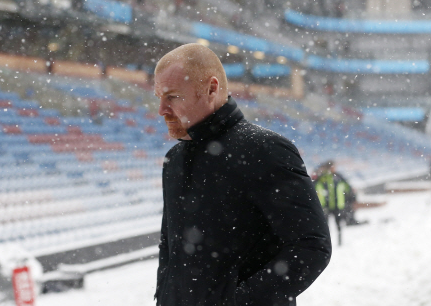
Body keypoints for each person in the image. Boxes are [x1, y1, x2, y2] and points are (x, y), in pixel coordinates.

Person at [153, 44, 332, 306]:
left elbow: (311, 246)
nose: (161, 109)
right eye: (159, 96)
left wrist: (239, 301)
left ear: (211, 89)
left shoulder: (265, 150)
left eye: (173, 96)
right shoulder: (174, 160)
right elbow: (169, 249)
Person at [314, 160, 358, 245]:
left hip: (337, 206)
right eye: (332, 167)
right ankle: (326, 244)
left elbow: (348, 188)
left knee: (338, 225)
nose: (334, 168)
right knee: (326, 227)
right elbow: (315, 188)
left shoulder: (339, 177)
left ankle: (339, 242)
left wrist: (352, 198)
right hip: (325, 206)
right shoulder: (322, 178)